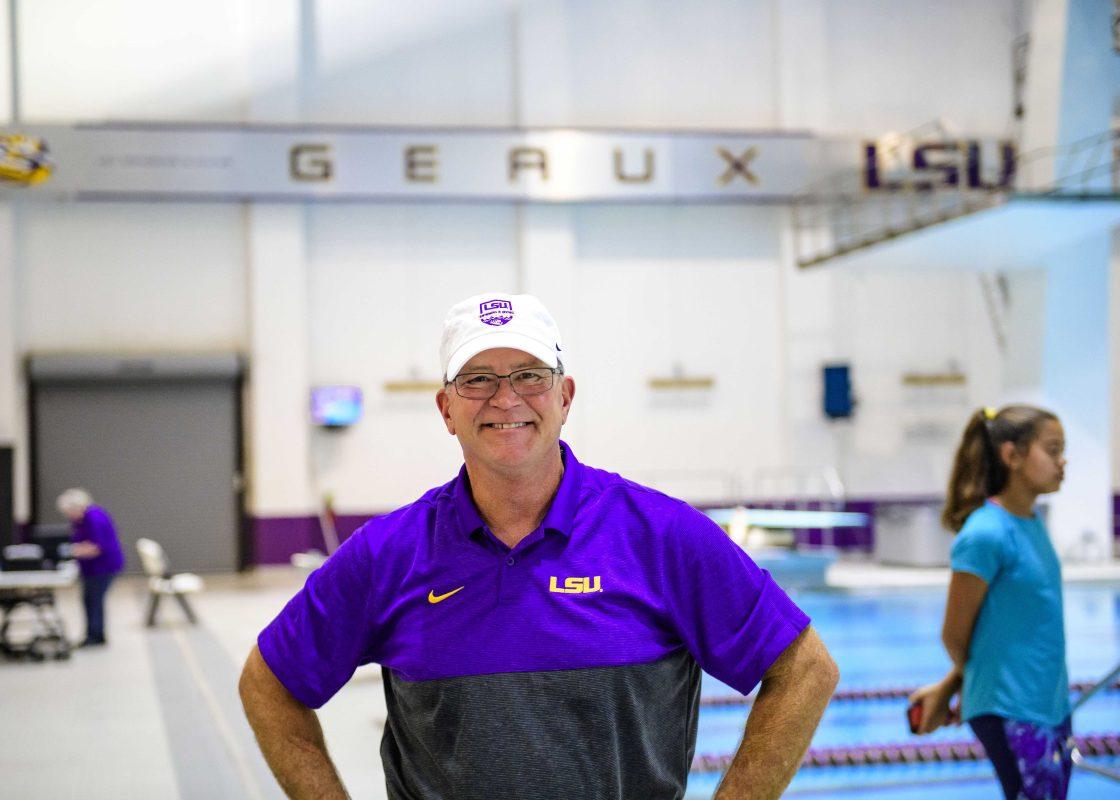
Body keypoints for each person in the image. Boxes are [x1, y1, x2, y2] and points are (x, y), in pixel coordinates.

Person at [240, 292, 839, 800]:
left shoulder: (662, 536)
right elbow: (268, 685)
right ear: (447, 409)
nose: (506, 399)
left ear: (564, 396)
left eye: (529, 375)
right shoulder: (388, 553)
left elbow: (805, 668)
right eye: (477, 380)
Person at [909, 405, 1070, 800]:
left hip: (1048, 703)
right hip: (1012, 710)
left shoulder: (1030, 523)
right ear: (1011, 456)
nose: (1062, 462)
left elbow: (1006, 630)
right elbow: (955, 635)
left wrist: (950, 685)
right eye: (1052, 450)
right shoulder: (985, 534)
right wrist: (973, 687)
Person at [57, 488, 125, 647]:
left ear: (78, 507)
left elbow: (96, 547)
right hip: (91, 568)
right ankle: (93, 634)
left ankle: (96, 636)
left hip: (103, 567)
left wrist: (70, 551)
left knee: (94, 600)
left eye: (69, 512)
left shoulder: (94, 519)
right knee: (89, 600)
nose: (69, 516)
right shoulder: (80, 520)